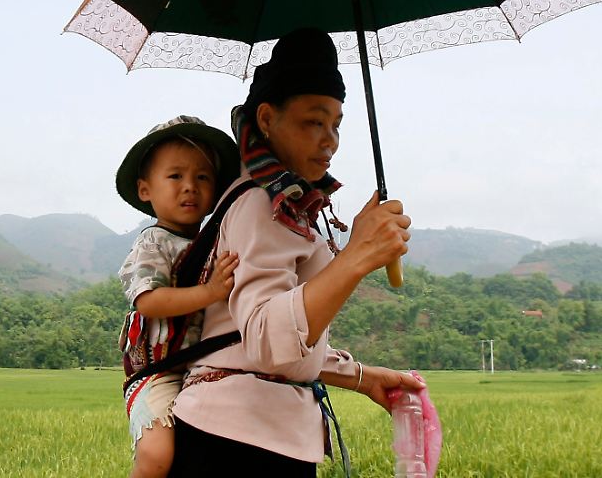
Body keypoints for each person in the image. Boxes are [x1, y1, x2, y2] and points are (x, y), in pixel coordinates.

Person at [168, 28, 424, 476]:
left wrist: (362, 377)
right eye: (313, 121)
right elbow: (269, 343)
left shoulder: (291, 205)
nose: (330, 139)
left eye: (336, 124)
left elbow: (279, 338)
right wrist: (355, 256)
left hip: (257, 438)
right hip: (236, 445)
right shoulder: (258, 204)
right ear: (266, 119)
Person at [115, 115, 243, 478]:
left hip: (205, 369)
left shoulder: (218, 242)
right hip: (158, 374)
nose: (190, 186)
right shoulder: (154, 241)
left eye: (202, 177)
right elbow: (149, 300)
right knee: (156, 455)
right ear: (145, 190)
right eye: (175, 176)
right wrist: (210, 291)